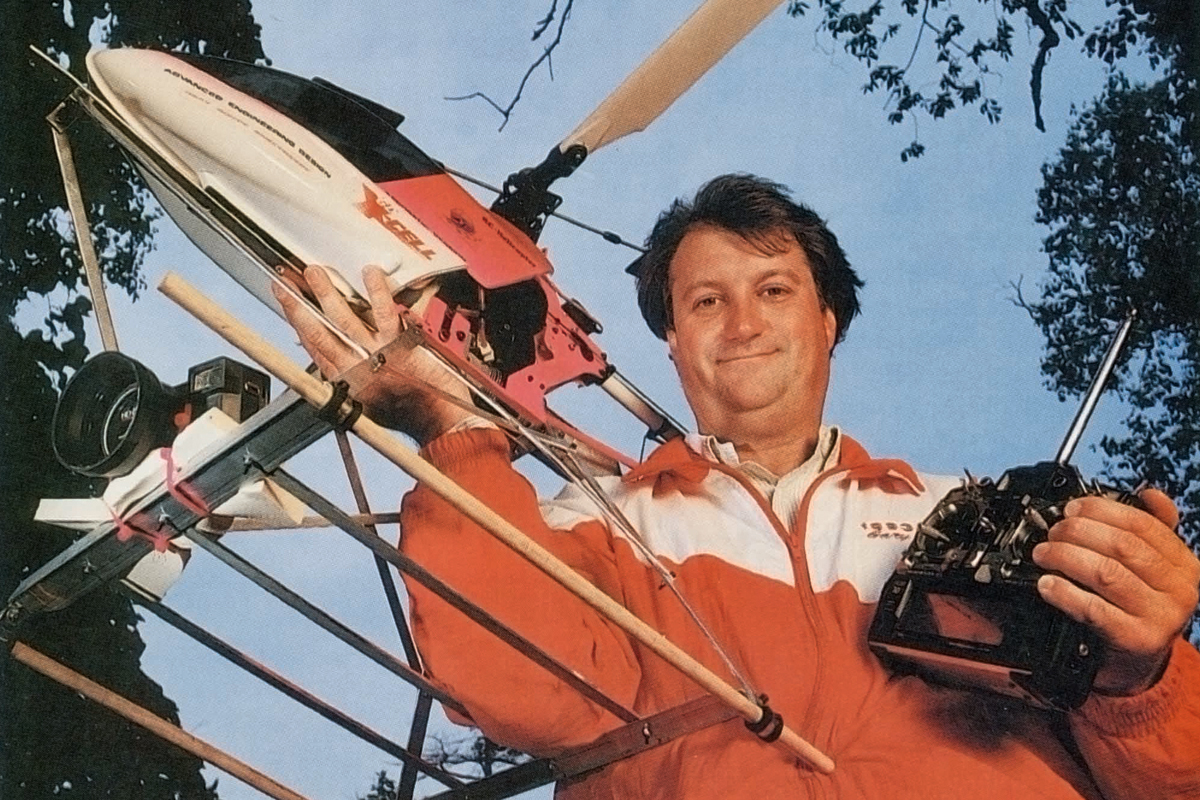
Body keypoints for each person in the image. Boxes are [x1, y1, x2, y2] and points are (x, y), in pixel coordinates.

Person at [276, 174, 1200, 799]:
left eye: (775, 290)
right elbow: (522, 693)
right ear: (672, 340)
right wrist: (457, 432)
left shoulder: (974, 515)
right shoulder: (592, 520)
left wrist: (1138, 673)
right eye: (706, 301)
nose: (742, 323)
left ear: (830, 320)